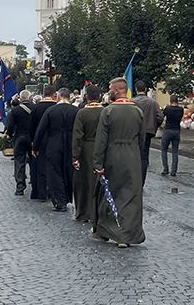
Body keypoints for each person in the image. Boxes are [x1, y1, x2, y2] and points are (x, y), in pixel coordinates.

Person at [91, 77, 145, 247]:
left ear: (115, 90)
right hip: (132, 156)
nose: (108, 91)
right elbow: (142, 139)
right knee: (130, 196)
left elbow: (101, 140)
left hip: (113, 155)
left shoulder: (108, 111)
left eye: (109, 88)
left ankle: (108, 231)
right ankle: (127, 234)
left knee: (110, 194)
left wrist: (97, 163)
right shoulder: (138, 112)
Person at [34, 88, 77, 211]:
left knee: (54, 172)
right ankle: (67, 197)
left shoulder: (51, 111)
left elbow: (41, 130)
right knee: (68, 172)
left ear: (58, 96)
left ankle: (59, 201)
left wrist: (35, 146)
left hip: (54, 143)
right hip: (70, 143)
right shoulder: (76, 111)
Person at [72, 85, 104, 223]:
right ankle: (98, 212)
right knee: (98, 180)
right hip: (102, 148)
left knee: (83, 182)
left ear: (86, 97)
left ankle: (83, 212)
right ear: (100, 96)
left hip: (86, 149)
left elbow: (77, 136)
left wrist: (75, 156)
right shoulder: (105, 111)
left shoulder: (82, 113)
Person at [27, 86, 59, 202]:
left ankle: (41, 192)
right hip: (54, 140)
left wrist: (33, 142)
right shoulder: (56, 107)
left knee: (40, 167)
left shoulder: (36, 108)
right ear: (54, 94)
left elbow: (31, 127)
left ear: (44, 94)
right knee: (54, 167)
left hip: (40, 141)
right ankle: (52, 192)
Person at [130, 80, 163, 184]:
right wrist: (154, 126)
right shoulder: (153, 103)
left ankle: (133, 180)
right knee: (144, 156)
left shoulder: (131, 102)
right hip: (148, 131)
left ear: (136, 89)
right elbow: (160, 117)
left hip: (134, 132)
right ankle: (141, 181)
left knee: (134, 155)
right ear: (145, 89)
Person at [4, 90, 35, 196]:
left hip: (19, 138)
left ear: (20, 99)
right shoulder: (35, 108)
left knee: (19, 162)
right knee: (33, 161)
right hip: (32, 139)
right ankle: (34, 183)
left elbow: (10, 126)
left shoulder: (15, 111)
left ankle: (20, 187)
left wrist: (9, 135)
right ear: (30, 98)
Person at [160, 95, 185, 177]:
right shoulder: (181, 109)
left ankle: (165, 169)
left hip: (168, 130)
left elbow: (162, 117)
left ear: (170, 101)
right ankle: (174, 171)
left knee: (164, 149)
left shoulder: (167, 109)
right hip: (177, 130)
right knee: (175, 151)